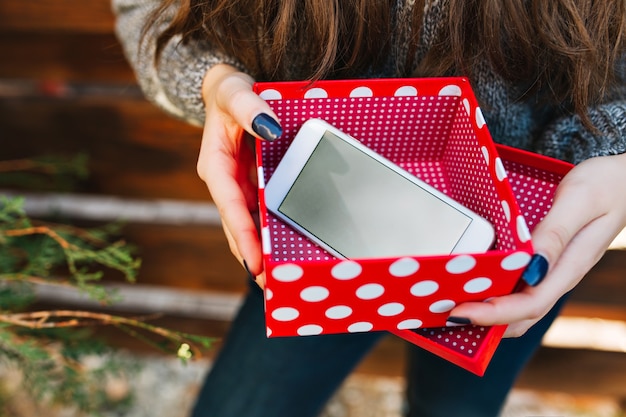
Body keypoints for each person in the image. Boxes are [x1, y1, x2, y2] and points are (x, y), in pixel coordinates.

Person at [112, 1, 626, 415]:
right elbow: (144, 8)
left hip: (533, 236)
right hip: (317, 257)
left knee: (456, 407)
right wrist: (212, 78)